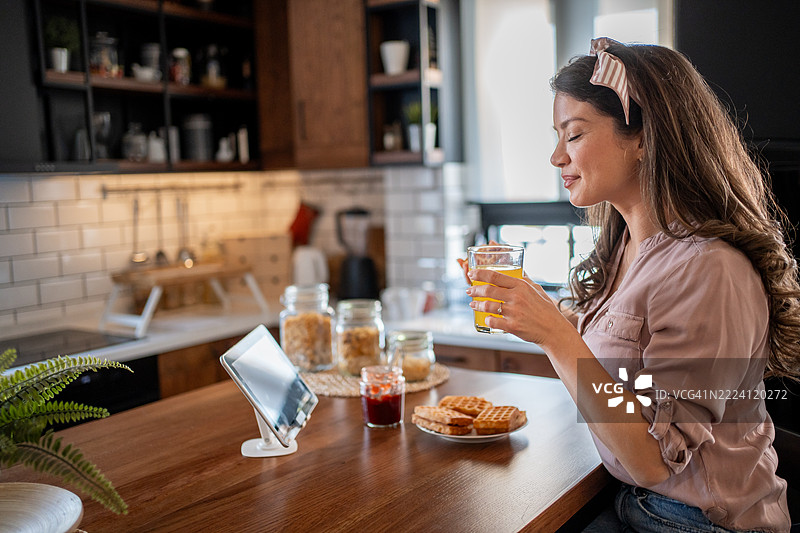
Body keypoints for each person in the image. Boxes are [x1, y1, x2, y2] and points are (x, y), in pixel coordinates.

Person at [463, 38, 800, 532]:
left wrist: (554, 334)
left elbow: (653, 462)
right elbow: (623, 370)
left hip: (699, 521)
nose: (556, 157)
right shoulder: (626, 250)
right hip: (637, 503)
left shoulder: (709, 270)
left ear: (643, 137)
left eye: (574, 134)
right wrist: (530, 309)